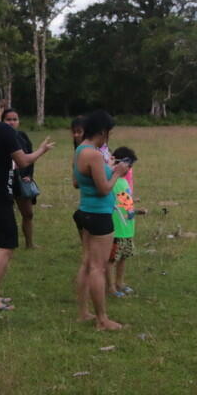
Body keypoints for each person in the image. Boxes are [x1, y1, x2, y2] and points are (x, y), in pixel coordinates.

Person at [0, 86, 54, 311]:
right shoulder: (6, 131)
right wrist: (42, 150)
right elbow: (23, 161)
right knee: (6, 245)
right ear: (1, 104)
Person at [72, 110, 129, 330]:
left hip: (85, 211)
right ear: (103, 132)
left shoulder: (80, 150)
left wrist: (108, 171)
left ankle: (83, 312)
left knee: (87, 263)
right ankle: (102, 319)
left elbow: (77, 182)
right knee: (98, 267)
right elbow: (105, 189)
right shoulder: (94, 155)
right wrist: (118, 172)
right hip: (99, 215)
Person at [2, 109, 37, 249]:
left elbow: (30, 157)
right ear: (2, 121)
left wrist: (29, 175)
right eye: (8, 119)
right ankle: (5, 245)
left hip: (22, 180)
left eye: (15, 119)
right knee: (6, 215)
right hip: (5, 180)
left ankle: (30, 244)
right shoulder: (0, 137)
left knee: (28, 213)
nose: (12, 122)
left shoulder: (22, 136)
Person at [106, 146, 137, 297]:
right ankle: (111, 287)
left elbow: (126, 201)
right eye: (128, 165)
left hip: (127, 228)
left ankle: (120, 282)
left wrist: (135, 211)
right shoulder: (110, 180)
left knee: (123, 257)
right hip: (116, 229)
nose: (129, 169)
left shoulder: (124, 182)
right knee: (111, 259)